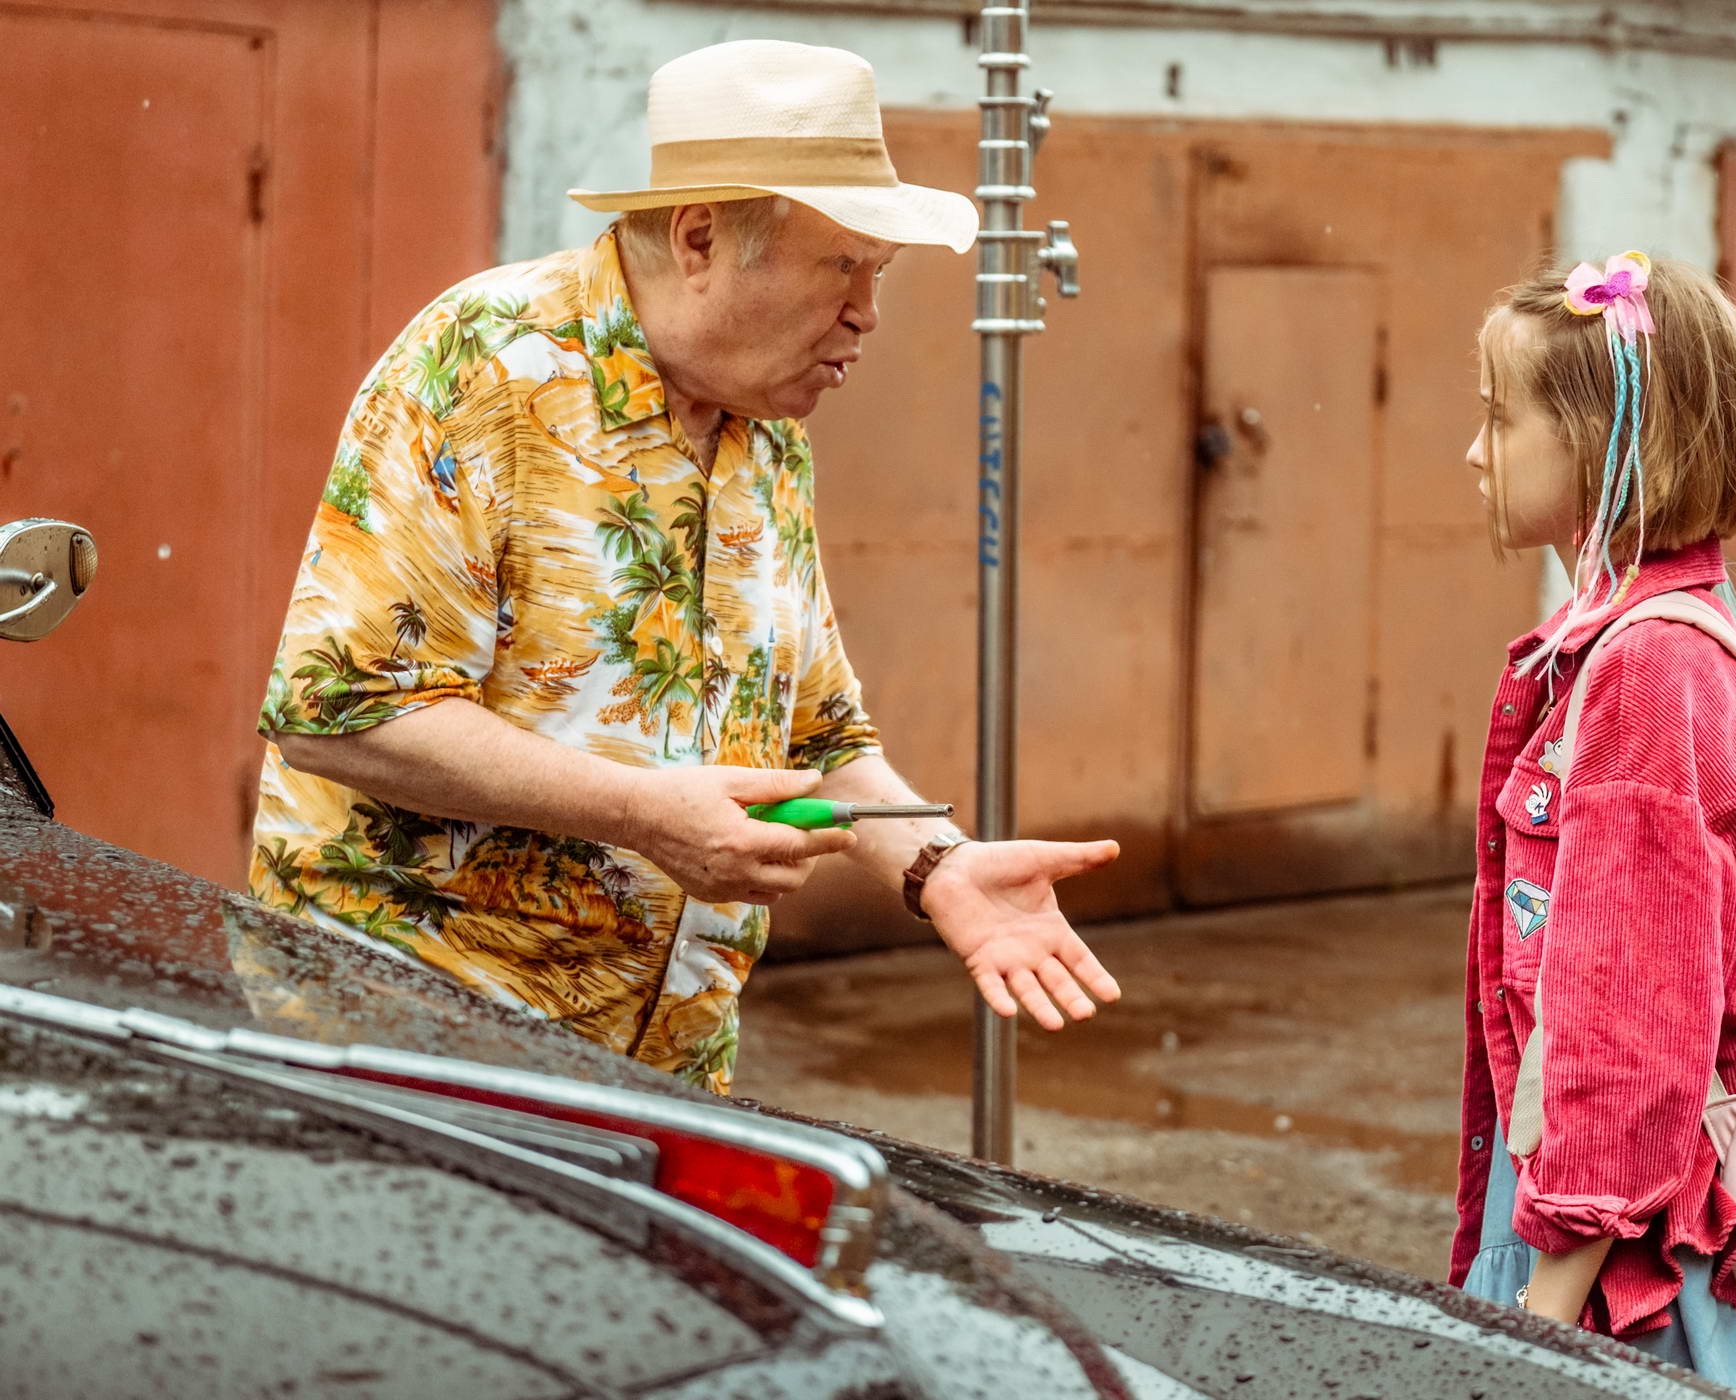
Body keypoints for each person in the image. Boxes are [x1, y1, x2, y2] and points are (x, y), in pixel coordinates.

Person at [248, 40, 1120, 1093]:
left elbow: (820, 733)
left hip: (666, 1076)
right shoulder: (484, 361)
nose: (867, 314)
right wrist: (644, 812)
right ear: (700, 236)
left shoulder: (765, 430)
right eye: (842, 264)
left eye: (878, 275)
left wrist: (939, 866)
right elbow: (334, 708)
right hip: (416, 1049)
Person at [1449, 251, 1736, 1397]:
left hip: (1603, 1274)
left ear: (1608, 441)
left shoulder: (1648, 666)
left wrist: (1539, 1325)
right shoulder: (1658, 635)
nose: (1474, 452)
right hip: (1596, 1228)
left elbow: (1631, 1021)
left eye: (1500, 420)